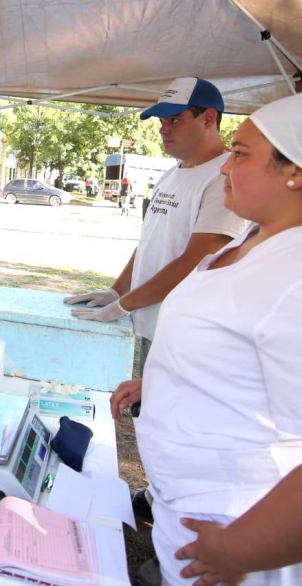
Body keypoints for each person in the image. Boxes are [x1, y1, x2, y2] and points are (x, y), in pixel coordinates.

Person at [110, 86, 302, 586]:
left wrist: (239, 550)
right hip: (202, 519)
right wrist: (168, 383)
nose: (226, 167)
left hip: (254, 545)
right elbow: (247, 354)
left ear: (298, 171)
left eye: (240, 153)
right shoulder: (259, 242)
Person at [65, 77, 248, 376]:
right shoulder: (170, 175)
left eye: (175, 119)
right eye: (163, 121)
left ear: (209, 118)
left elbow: (198, 259)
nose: (164, 129)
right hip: (153, 324)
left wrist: (125, 304)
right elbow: (150, 239)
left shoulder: (222, 178)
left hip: (189, 335)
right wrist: (117, 291)